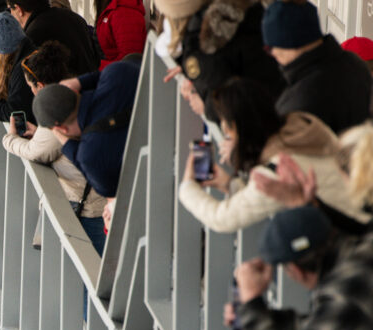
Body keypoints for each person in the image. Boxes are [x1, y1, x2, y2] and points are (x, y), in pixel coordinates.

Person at [177, 78, 368, 234]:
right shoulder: (301, 126)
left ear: (234, 127)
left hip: (355, 240)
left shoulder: (279, 168)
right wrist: (230, 185)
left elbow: (222, 219)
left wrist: (187, 187)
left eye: (226, 126)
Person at [230, 206, 373, 330]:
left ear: (295, 271)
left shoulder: (345, 296)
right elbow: (337, 324)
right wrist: (266, 319)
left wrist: (251, 302)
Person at [5, 41, 107, 254]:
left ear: (40, 86)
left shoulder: (53, 111)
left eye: (31, 87)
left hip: (83, 206)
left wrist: (10, 140)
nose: (31, 91)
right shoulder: (79, 94)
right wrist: (37, 134)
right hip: (97, 198)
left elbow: (37, 152)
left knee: (88, 270)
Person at [158, 0, 284, 120]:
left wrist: (205, 106)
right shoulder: (239, 11)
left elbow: (225, 99)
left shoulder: (203, 39)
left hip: (258, 120)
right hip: (277, 103)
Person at [33, 59, 140, 199]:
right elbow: (135, 62)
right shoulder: (117, 73)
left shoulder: (89, 155)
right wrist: (80, 81)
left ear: (61, 128)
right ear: (74, 90)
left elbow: (108, 191)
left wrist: (64, 141)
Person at [262, 0, 372, 134]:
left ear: (288, 44)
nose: (272, 54)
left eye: (269, 48)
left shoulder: (298, 105)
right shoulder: (356, 65)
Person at [7, 0, 99, 75]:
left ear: (19, 10)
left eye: (10, 9)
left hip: (65, 94)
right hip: (92, 87)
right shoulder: (75, 17)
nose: (11, 14)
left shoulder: (33, 36)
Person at [93, 0, 146, 69]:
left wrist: (94, 66)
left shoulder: (125, 13)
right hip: (106, 71)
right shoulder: (112, 6)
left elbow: (129, 62)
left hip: (112, 75)